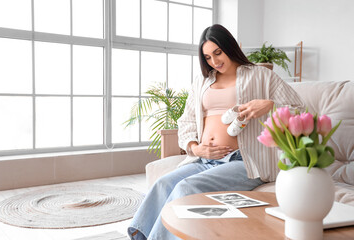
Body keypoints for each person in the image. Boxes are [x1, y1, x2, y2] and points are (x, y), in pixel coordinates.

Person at [128, 24, 305, 240]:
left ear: (229, 47)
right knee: (164, 183)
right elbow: (186, 121)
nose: (215, 61)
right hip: (204, 160)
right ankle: (139, 236)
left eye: (218, 53)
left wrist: (269, 104)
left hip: (243, 162)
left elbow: (299, 109)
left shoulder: (260, 75)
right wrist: (196, 148)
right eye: (208, 57)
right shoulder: (202, 81)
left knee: (187, 187)